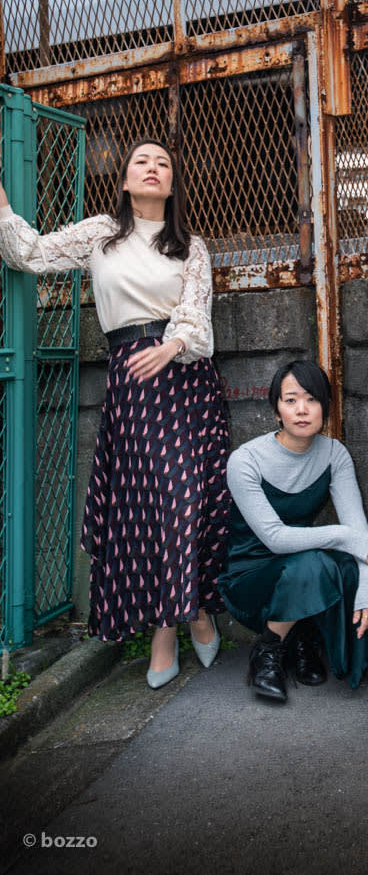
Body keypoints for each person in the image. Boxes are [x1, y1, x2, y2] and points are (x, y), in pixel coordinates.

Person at [0, 138, 230, 689]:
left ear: (172, 184)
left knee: (188, 500)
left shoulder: (191, 247)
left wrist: (173, 346)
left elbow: (196, 309)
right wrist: (3, 204)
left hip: (186, 377)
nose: (152, 168)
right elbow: (30, 253)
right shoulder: (100, 234)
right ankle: (188, 612)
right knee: (151, 506)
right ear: (125, 180)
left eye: (163, 163)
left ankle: (175, 623)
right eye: (141, 162)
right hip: (131, 379)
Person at [220, 359, 368, 702]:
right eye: (291, 400)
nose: (302, 410)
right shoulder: (245, 460)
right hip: (251, 577)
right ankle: (268, 651)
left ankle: (303, 637)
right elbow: (276, 539)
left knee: (344, 565)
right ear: (277, 410)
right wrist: (343, 536)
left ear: (325, 406)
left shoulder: (334, 454)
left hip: (300, 566)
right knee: (317, 562)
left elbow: (360, 535)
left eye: (312, 399)